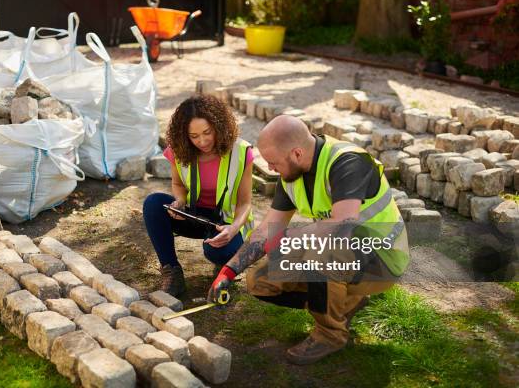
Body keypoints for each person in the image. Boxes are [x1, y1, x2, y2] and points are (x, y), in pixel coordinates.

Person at [208, 115, 410, 364]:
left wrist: (291, 238)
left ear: (296, 153)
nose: (270, 169)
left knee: (318, 255)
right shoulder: (291, 176)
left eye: (273, 163)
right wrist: (229, 271)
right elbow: (266, 231)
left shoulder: (348, 162)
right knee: (260, 282)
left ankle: (330, 335)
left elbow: (343, 226)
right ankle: (344, 303)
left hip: (383, 260)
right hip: (347, 257)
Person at [143, 95, 254, 297]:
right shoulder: (179, 150)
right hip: (193, 215)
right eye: (194, 136)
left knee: (217, 252)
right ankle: (172, 272)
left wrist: (233, 228)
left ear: (218, 126)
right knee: (153, 203)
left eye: (207, 133)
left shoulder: (241, 151)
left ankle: (228, 262)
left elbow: (245, 203)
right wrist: (180, 201)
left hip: (226, 221)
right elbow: (177, 184)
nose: (202, 141)